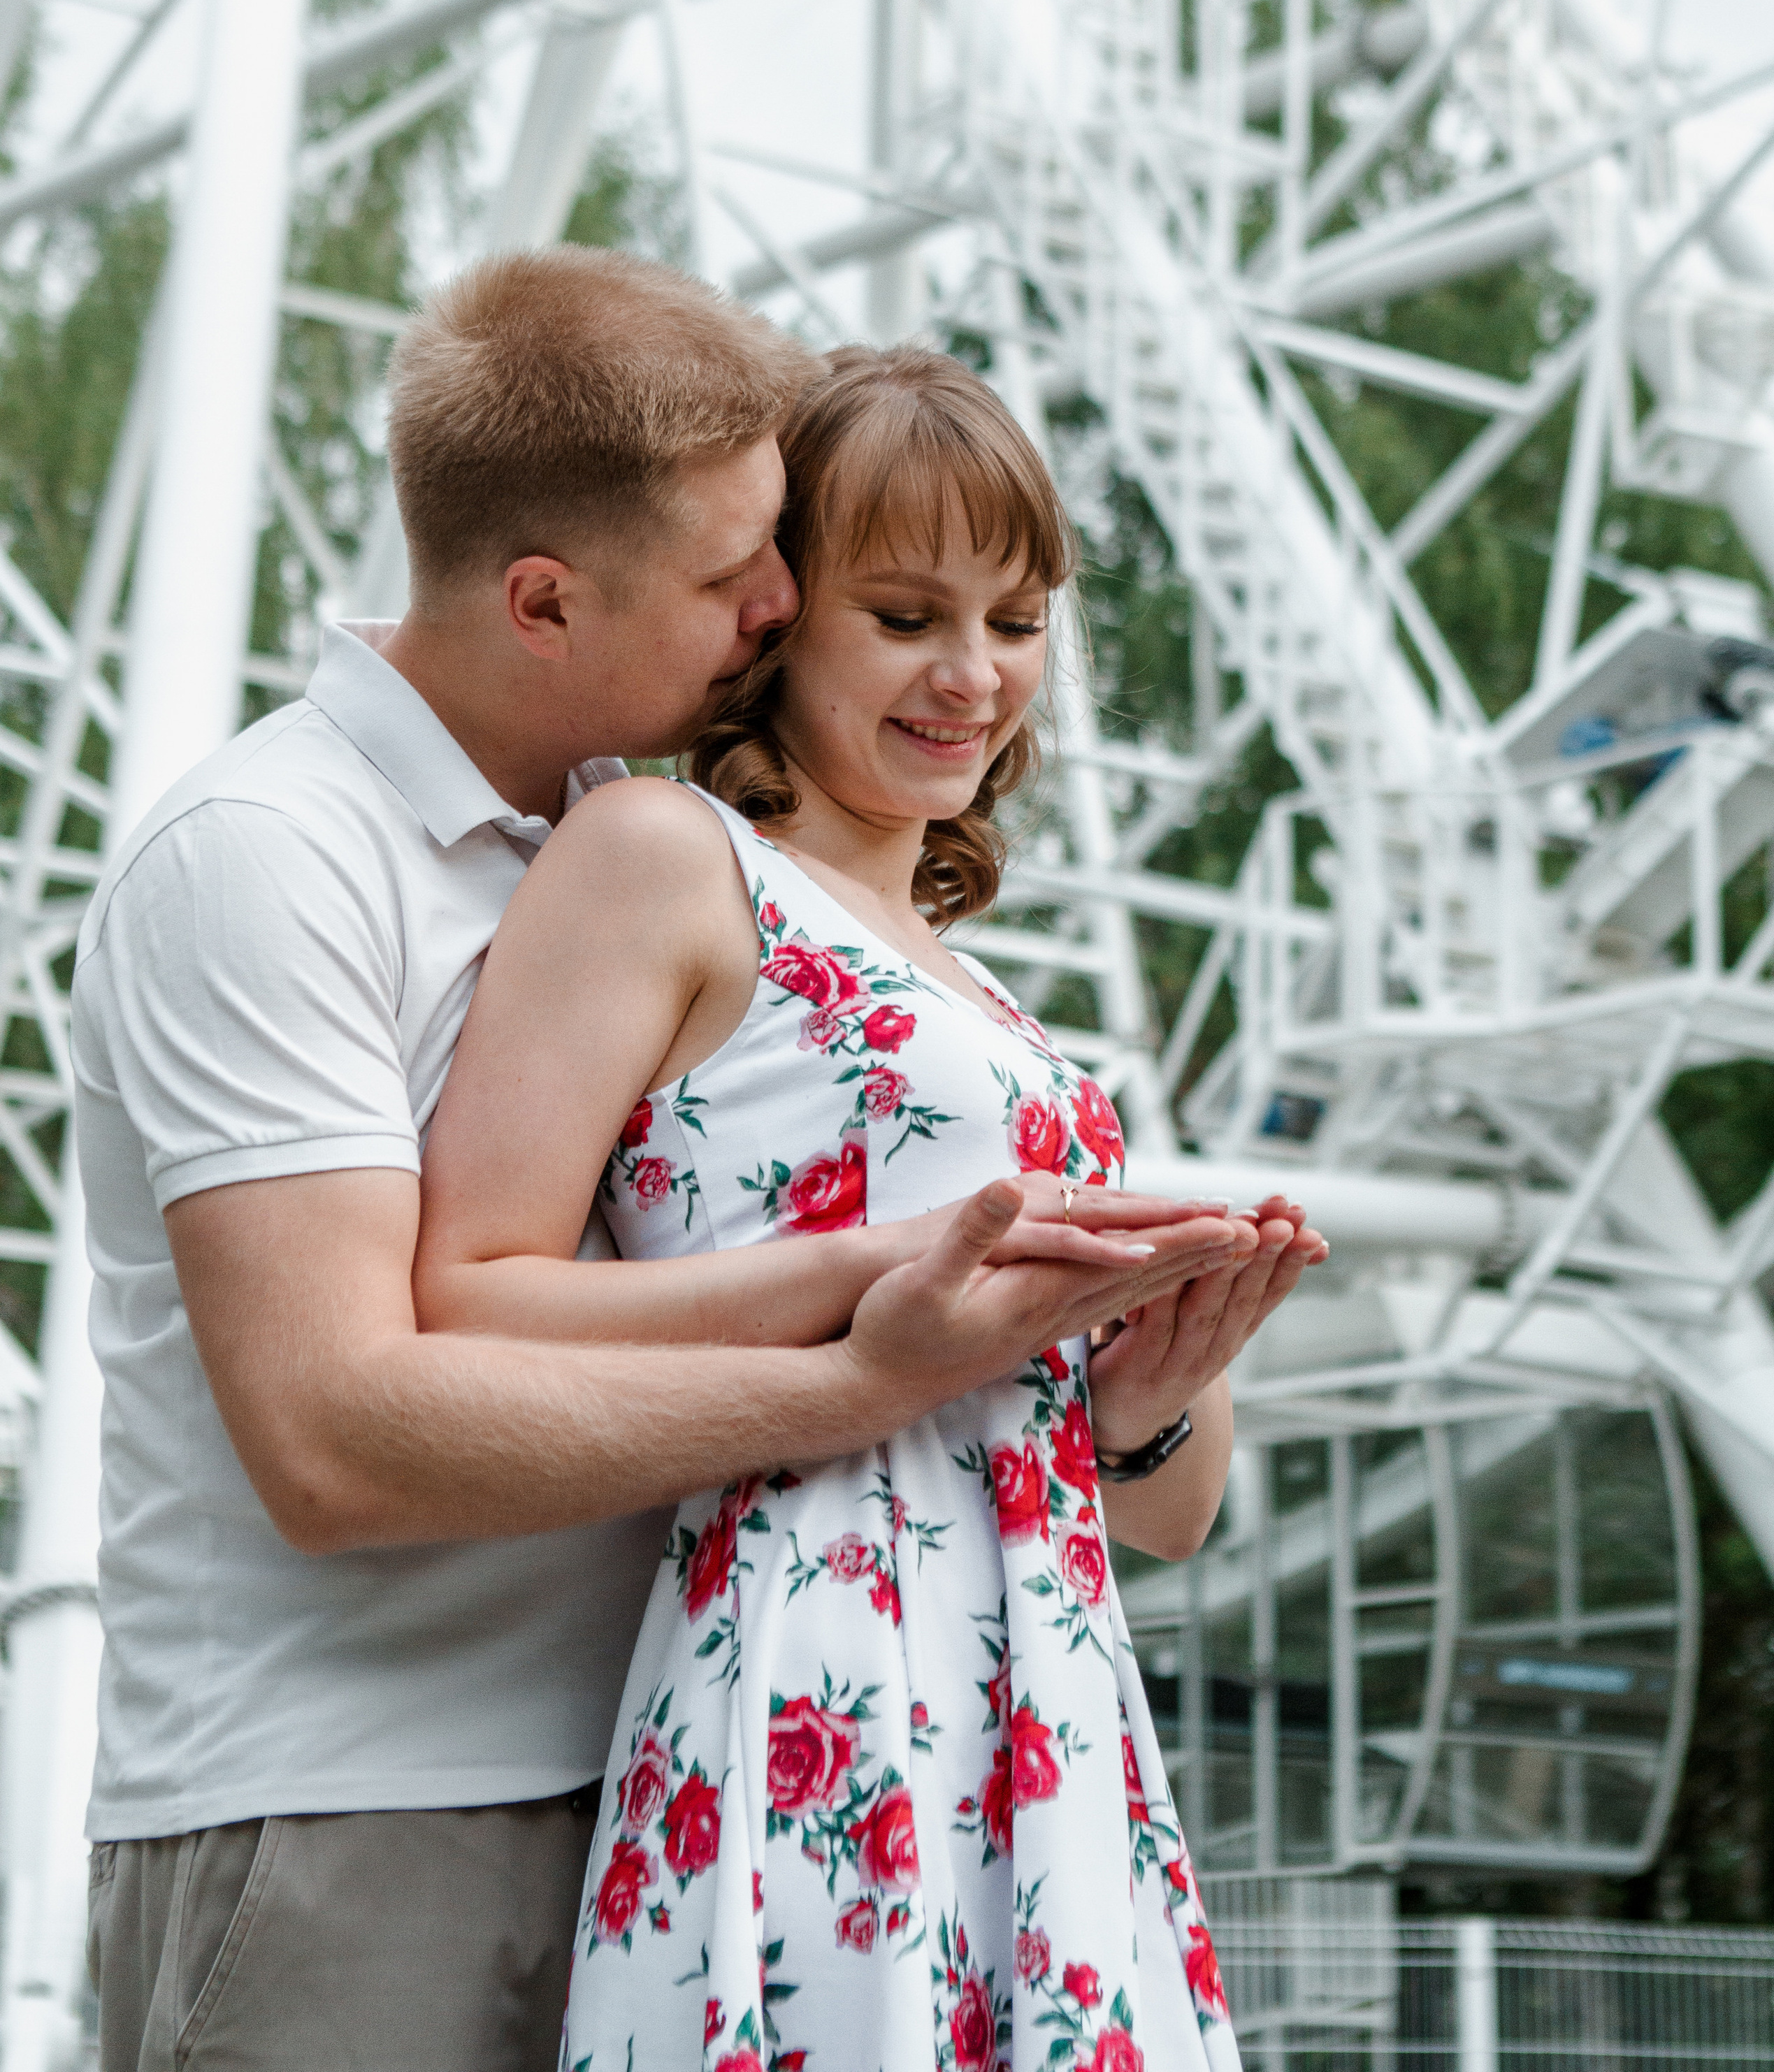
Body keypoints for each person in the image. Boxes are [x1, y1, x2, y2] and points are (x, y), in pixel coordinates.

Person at [73, 249, 1269, 2072]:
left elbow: (1131, 1492)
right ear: (545, 598)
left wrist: (1147, 1393)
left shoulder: (611, 844)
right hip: (363, 1798)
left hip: (702, 1753)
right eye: (744, 578)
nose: (772, 609)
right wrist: (868, 1348)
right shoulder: (276, 854)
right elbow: (331, 1435)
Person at [416, 344, 1327, 2072]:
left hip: (1043, 1686)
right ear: (778, 617)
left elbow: (1170, 1516)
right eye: (905, 613)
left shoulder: (1002, 1005)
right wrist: (874, 1285)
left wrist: (1141, 1398)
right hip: (817, 1651)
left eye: (1016, 617)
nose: (972, 676)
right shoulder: (668, 860)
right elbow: (466, 1296)